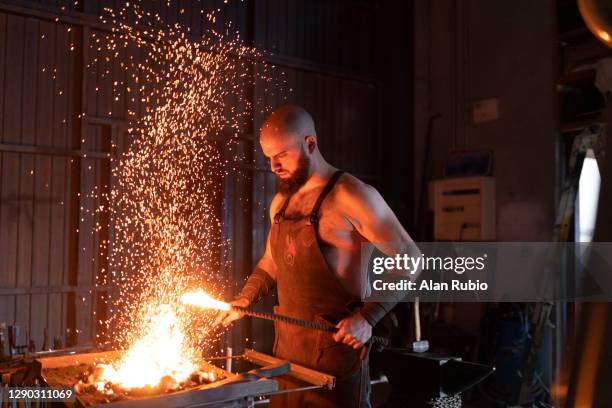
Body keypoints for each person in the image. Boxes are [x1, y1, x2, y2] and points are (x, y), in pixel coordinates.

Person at [216, 104, 417, 407]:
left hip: (336, 357)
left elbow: (411, 259)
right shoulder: (282, 202)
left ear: (309, 144)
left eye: (282, 155)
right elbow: (272, 262)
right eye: (269, 157)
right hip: (288, 354)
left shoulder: (352, 195)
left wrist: (367, 318)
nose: (273, 166)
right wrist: (245, 297)